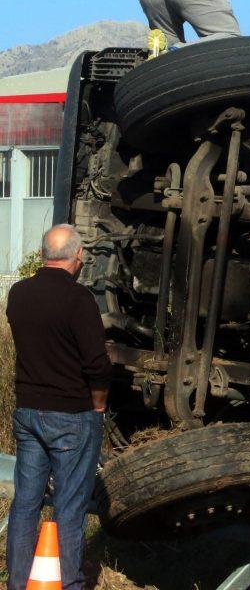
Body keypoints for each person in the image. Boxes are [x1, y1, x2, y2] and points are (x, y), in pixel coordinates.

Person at [6, 224, 112, 590]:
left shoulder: (18, 294)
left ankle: (18, 583)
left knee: (25, 504)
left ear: (44, 254)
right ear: (78, 256)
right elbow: (97, 364)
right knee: (69, 508)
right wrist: (98, 406)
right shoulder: (78, 299)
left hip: (27, 411)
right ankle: (69, 584)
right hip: (71, 415)